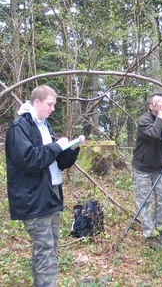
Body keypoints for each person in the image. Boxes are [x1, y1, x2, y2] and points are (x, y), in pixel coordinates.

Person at [5, 85, 80, 286]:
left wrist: (70, 149)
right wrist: (55, 147)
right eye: (50, 104)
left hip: (51, 195)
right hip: (32, 197)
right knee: (45, 250)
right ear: (36, 102)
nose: (52, 109)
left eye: (54, 104)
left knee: (49, 249)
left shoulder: (45, 126)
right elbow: (28, 160)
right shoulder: (20, 127)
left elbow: (57, 162)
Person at [132, 93, 162, 249]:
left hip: (159, 167)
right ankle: (150, 234)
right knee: (144, 201)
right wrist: (160, 116)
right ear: (150, 106)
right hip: (142, 168)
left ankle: (161, 229)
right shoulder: (144, 120)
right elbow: (152, 133)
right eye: (158, 103)